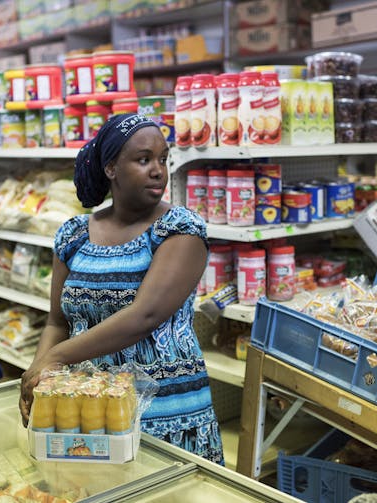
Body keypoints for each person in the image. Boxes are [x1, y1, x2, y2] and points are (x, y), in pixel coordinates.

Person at [19, 113, 224, 464]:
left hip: (166, 416)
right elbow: (57, 321)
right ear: (111, 168)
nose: (158, 170)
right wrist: (37, 377)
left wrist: (56, 358)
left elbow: (144, 315)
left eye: (163, 159)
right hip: (88, 413)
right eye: (144, 160)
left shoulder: (180, 229)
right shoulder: (73, 235)